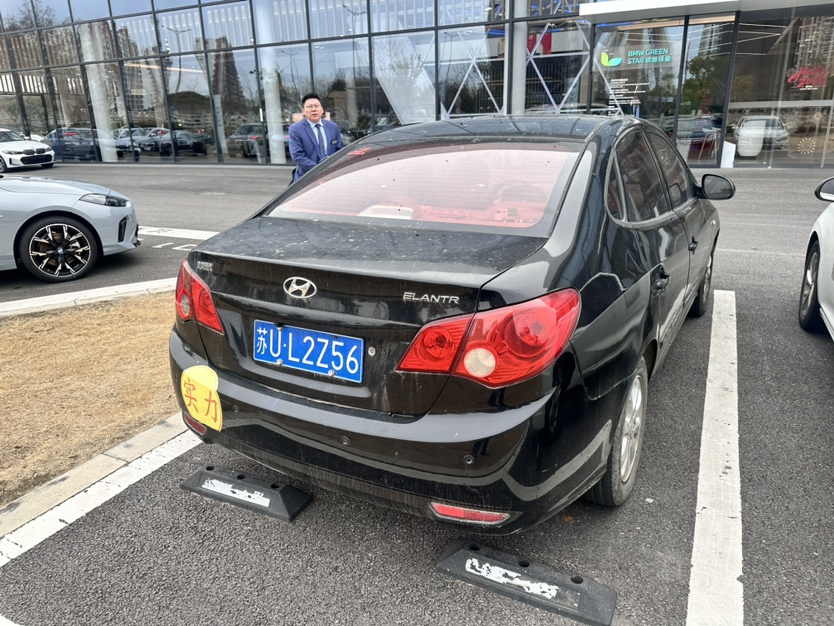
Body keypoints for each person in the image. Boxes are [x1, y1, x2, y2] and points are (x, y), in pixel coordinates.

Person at [288, 92, 344, 183]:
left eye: (316, 106)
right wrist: (319, 171)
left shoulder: (333, 127)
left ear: (322, 109)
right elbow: (297, 156)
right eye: (309, 107)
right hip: (307, 178)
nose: (314, 109)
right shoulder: (295, 129)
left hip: (331, 176)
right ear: (303, 111)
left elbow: (340, 150)